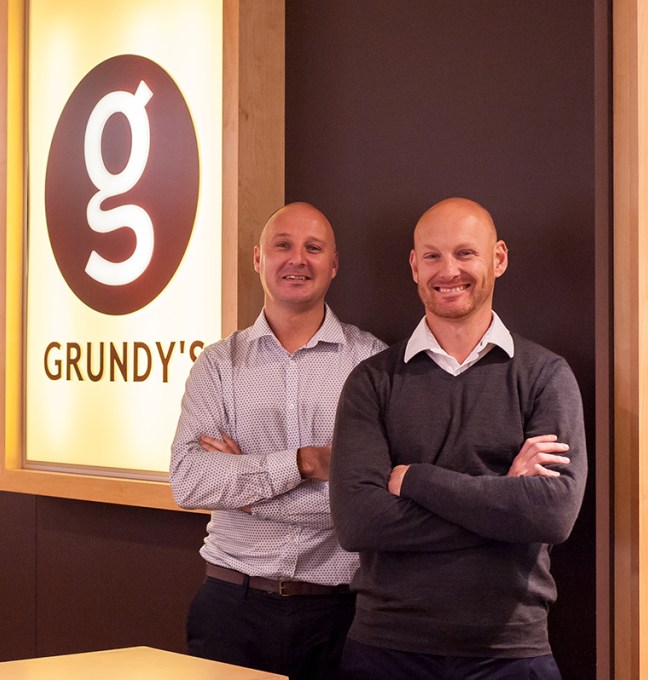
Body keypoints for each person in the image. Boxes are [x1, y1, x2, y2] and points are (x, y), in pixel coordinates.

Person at [328, 197, 587, 679]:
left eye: (466, 253)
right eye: (433, 256)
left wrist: (417, 481)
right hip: (386, 650)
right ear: (414, 266)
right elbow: (358, 522)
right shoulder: (372, 381)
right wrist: (505, 501)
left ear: (498, 258)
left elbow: (552, 514)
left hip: (511, 652)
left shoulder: (545, 376)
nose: (448, 271)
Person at [170, 202, 386, 679]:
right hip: (231, 609)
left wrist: (246, 495)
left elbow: (369, 506)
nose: (297, 259)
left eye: (314, 248)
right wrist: (306, 463)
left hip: (339, 616)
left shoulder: (371, 364)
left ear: (334, 263)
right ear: (258, 258)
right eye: (282, 245)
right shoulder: (218, 365)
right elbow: (189, 481)